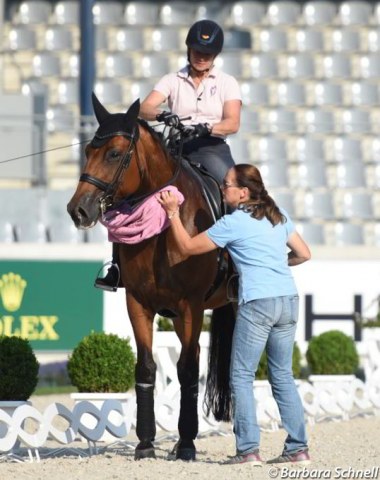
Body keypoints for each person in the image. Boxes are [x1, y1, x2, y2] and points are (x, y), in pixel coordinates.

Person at [157, 163, 311, 466]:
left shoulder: (233, 223)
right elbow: (305, 254)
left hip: (258, 302)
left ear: (243, 192)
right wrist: (276, 266)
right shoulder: (278, 216)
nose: (222, 188)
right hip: (288, 299)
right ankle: (298, 449)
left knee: (241, 376)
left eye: (227, 184)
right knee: (283, 376)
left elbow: (187, 247)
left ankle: (248, 450)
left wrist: (173, 212)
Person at [95, 19, 242, 290]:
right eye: (197, 50)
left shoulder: (227, 83)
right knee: (128, 194)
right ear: (189, 50)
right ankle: (117, 266)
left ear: (215, 56)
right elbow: (144, 108)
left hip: (211, 147)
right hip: (175, 148)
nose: (201, 56)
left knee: (235, 197)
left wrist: (206, 126)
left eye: (206, 53)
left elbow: (232, 123)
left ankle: (235, 268)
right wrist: (164, 114)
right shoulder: (172, 79)